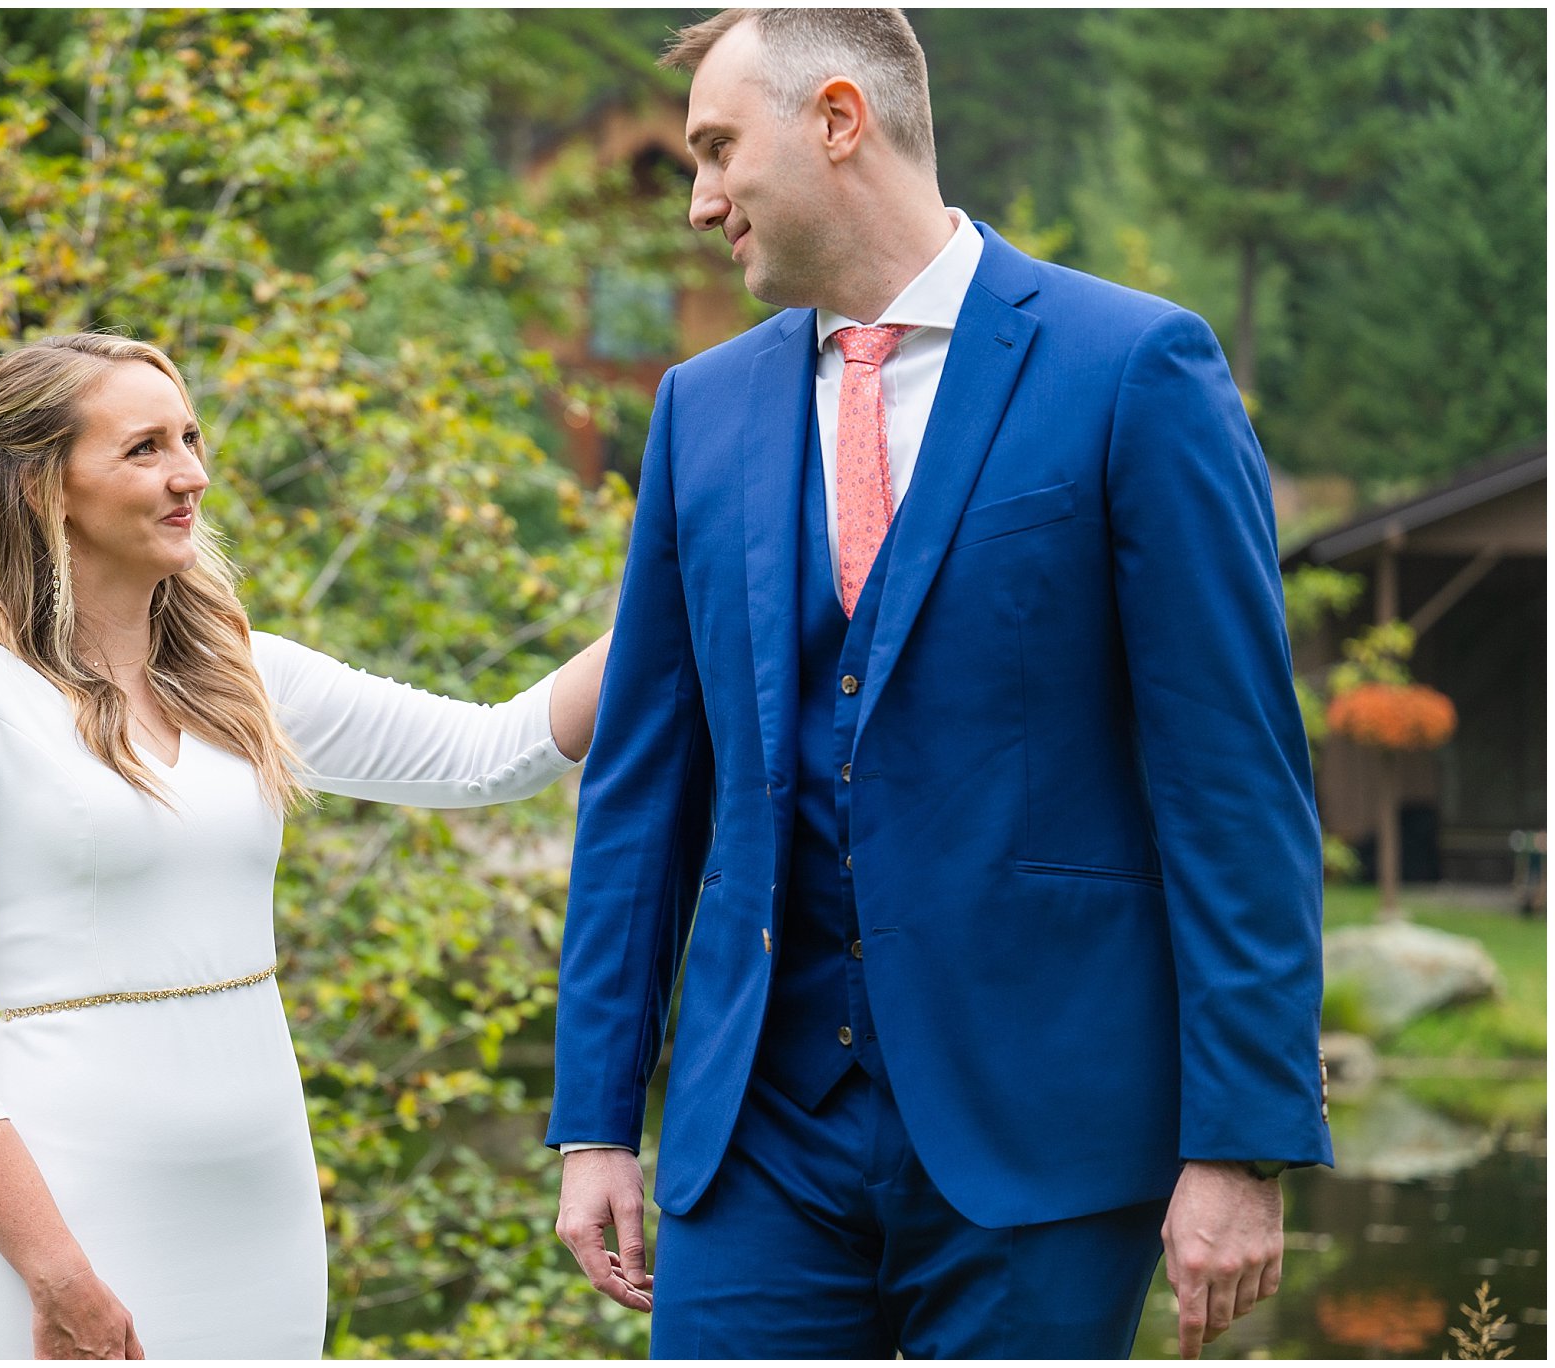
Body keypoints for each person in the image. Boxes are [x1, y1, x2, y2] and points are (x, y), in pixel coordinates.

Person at [546, 9, 1331, 1359]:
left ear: (840, 121)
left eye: (722, 149)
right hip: (759, 1139)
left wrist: (1243, 1140)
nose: (697, 202)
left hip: (1047, 1127)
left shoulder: (1132, 367)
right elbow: (643, 788)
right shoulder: (701, 410)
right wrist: (596, 1118)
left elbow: (1232, 777)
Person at [0, 332, 610, 1358]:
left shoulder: (242, 675)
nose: (190, 475)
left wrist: (679, 576)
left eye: (191, 438)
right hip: (64, 1222)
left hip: (259, 1221)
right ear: (45, 488)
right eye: (144, 449)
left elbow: (494, 750)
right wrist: (55, 1270)